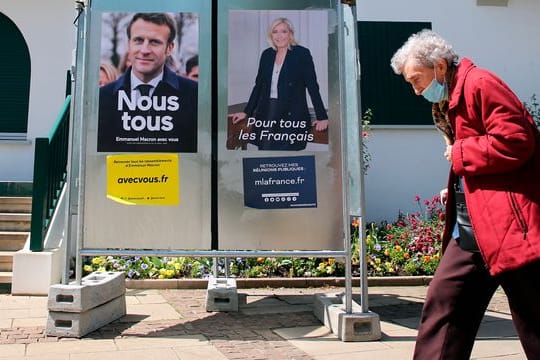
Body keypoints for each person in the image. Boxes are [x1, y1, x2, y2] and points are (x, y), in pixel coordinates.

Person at [390, 29, 540, 359]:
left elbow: (518, 141)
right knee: (444, 303)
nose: (417, 91)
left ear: (440, 67)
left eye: (418, 80)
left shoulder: (481, 84)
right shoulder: (451, 98)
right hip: (475, 226)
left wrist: (461, 154)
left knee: (533, 318)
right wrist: (458, 184)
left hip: (507, 227)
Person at [98, 13, 198, 153]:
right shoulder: (103, 98)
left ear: (169, 48)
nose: (144, 50)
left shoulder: (193, 95)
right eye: (138, 40)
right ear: (129, 44)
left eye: (154, 42)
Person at [230, 17, 328, 150]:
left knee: (285, 154)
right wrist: (247, 112)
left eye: (284, 31)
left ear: (290, 34)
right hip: (267, 112)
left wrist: (322, 117)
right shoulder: (266, 55)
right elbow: (258, 86)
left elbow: (312, 87)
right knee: (265, 150)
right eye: (275, 32)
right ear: (271, 35)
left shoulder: (301, 54)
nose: (279, 36)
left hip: (292, 114)